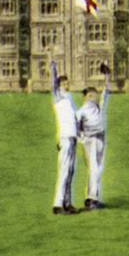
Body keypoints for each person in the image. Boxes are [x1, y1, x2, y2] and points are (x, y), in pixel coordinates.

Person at [75, 63, 111, 210]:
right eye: (89, 96)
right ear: (84, 97)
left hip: (101, 138)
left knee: (99, 168)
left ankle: (93, 198)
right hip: (90, 140)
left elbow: (106, 92)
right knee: (94, 168)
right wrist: (82, 140)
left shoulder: (99, 107)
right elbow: (76, 128)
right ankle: (91, 199)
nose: (92, 98)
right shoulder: (81, 111)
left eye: (94, 96)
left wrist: (107, 76)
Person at [51, 61, 79, 215]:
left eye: (68, 83)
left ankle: (67, 203)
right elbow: (53, 83)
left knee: (70, 171)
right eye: (65, 83)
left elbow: (76, 117)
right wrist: (53, 67)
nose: (67, 85)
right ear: (60, 85)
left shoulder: (69, 98)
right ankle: (57, 204)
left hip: (73, 137)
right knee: (64, 171)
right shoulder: (58, 96)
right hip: (65, 137)